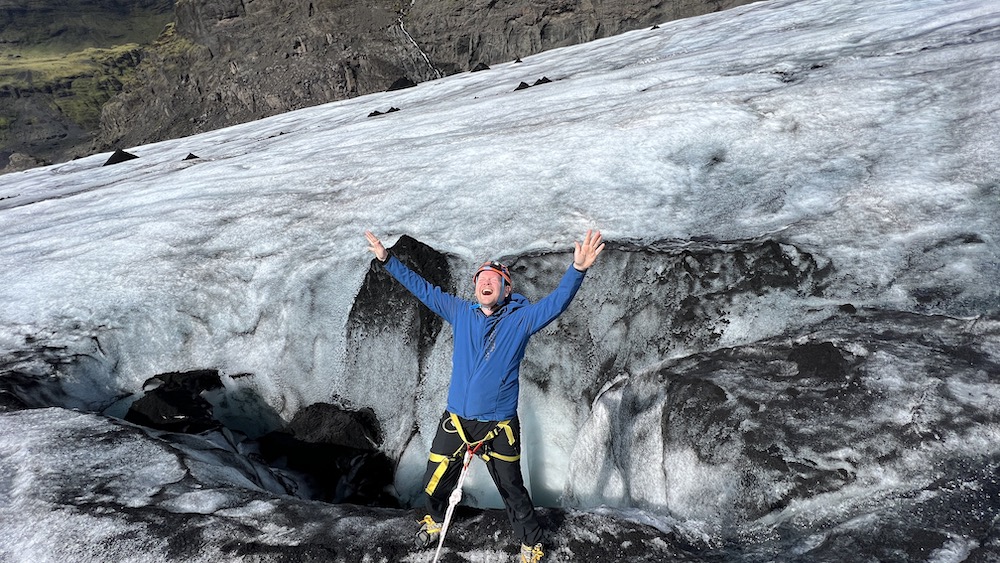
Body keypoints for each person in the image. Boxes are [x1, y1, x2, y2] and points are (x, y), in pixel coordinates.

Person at [364, 229, 605, 563]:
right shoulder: (461, 312)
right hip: (456, 421)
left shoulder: (520, 321)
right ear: (475, 286)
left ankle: (531, 541)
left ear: (506, 289)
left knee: (513, 492)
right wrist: (387, 259)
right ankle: (435, 520)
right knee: (434, 482)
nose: (486, 282)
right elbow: (423, 290)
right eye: (481, 278)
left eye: (494, 278)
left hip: (499, 427)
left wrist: (577, 269)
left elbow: (556, 303)